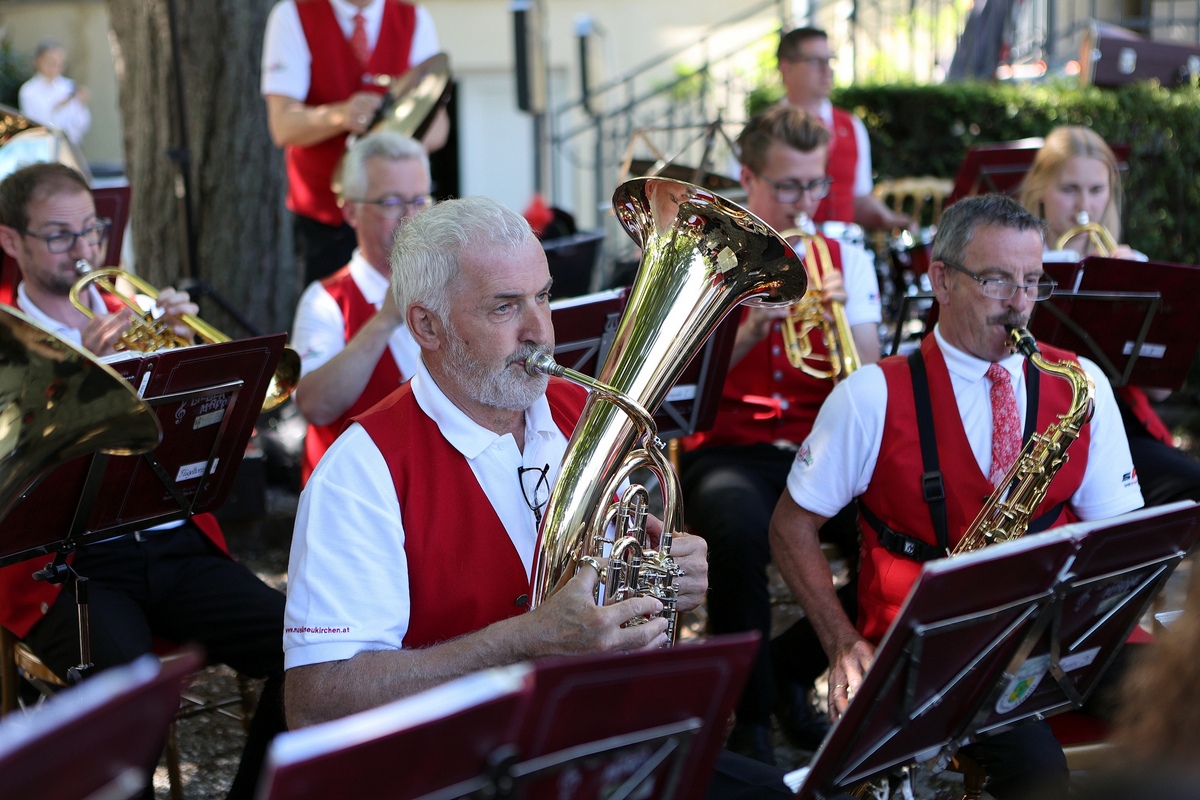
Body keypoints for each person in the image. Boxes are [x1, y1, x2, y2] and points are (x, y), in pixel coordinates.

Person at [284, 196, 792, 797]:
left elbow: (619, 591)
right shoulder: (361, 471)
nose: (540, 330)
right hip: (468, 772)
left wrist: (668, 575)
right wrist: (523, 640)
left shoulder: (586, 417)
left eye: (543, 296)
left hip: (599, 739)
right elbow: (316, 704)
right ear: (426, 325)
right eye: (505, 307)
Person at [768, 194, 1145, 799]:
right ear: (940, 279)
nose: (1020, 303)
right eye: (997, 280)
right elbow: (790, 528)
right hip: (935, 651)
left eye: (1032, 282)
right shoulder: (869, 397)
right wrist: (841, 644)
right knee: (1036, 773)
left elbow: (1118, 540)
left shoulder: (1082, 384)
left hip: (1055, 633)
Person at [0, 162, 286, 800]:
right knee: (130, 705)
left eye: (92, 231)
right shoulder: (6, 342)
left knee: (313, 650)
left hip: (172, 543)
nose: (84, 251)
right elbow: (12, 479)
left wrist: (190, 366)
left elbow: (209, 439)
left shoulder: (136, 314)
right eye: (59, 236)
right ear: (10, 241)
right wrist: (84, 382)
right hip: (66, 563)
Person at [679, 104, 881, 763]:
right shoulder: (708, 256)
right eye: (789, 186)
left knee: (904, 536)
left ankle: (786, 668)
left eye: (815, 185)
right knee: (736, 530)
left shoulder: (845, 256)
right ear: (749, 178)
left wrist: (837, 316)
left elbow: (870, 376)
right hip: (733, 449)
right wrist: (744, 332)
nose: (805, 202)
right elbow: (678, 384)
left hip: (823, 449)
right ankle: (755, 722)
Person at [1020, 125, 1200, 507]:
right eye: (1069, 189)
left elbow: (1160, 389)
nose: (1084, 204)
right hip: (1035, 421)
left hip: (1112, 419)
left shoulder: (1129, 265)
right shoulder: (1017, 264)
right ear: (1039, 191)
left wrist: (1134, 293)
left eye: (1097, 190)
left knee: (1189, 489)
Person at [261, 0, 448, 285]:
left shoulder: (413, 17)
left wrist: (390, 126)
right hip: (326, 221)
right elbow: (283, 126)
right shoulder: (293, 13)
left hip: (401, 218)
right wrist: (340, 115)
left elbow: (438, 130)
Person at [290, 130, 430, 484]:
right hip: (356, 494)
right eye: (391, 203)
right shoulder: (325, 300)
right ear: (351, 211)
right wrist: (384, 320)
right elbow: (315, 406)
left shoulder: (452, 284)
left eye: (419, 201)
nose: (410, 217)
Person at [776, 27, 912, 232]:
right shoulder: (762, 131)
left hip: (844, 253)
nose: (827, 70)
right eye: (815, 61)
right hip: (787, 251)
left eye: (829, 60)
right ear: (786, 68)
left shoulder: (852, 126)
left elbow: (859, 198)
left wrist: (889, 219)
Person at [18, 39, 92, 147]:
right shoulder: (28, 91)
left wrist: (83, 104)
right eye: (51, 62)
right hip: (41, 149)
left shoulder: (69, 86)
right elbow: (34, 127)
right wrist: (57, 108)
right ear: (38, 61)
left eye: (59, 63)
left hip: (69, 148)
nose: (55, 66)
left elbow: (82, 125)